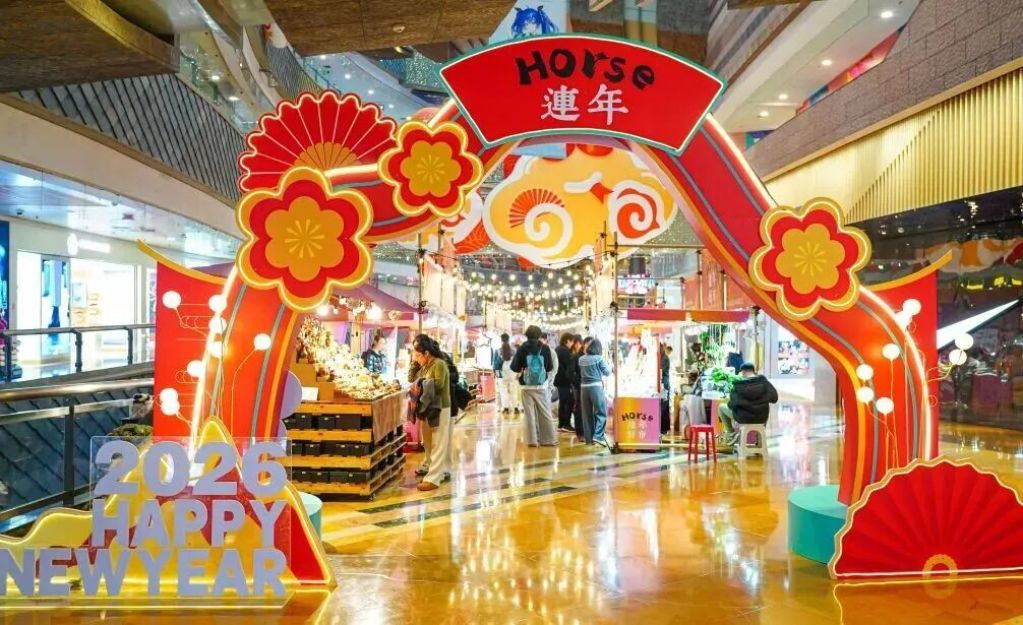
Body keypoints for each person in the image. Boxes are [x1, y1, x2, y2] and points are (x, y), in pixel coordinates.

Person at [409, 334, 451, 491]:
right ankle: (435, 473)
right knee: (427, 442)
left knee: (438, 443)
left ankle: (433, 479)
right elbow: (411, 378)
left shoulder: (439, 364)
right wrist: (414, 363)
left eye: (418, 355)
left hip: (439, 408)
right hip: (427, 408)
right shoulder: (424, 365)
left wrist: (421, 383)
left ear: (426, 353)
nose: (417, 358)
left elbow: (439, 385)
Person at [510, 325, 556, 447]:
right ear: (539, 335)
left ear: (527, 334)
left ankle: (532, 441)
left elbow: (514, 367)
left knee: (529, 415)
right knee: (545, 412)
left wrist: (523, 367)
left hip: (526, 385)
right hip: (541, 385)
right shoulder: (545, 348)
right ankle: (548, 440)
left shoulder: (522, 348)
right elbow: (550, 367)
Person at [717, 362, 778, 447]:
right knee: (763, 410)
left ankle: (730, 433)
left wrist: (741, 404)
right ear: (754, 371)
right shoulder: (764, 382)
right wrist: (761, 400)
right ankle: (759, 441)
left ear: (743, 372)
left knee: (721, 407)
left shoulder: (738, 385)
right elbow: (774, 398)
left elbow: (731, 405)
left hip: (744, 418)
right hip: (761, 418)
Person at [577, 338, 612, 447]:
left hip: (583, 388)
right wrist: (610, 365)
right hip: (596, 387)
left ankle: (588, 439)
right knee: (601, 412)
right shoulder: (599, 359)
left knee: (586, 414)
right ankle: (598, 436)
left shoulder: (581, 359)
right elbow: (607, 372)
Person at [554, 333, 577, 433]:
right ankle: (566, 424)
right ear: (567, 340)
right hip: (564, 380)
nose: (572, 344)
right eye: (572, 341)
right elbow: (569, 368)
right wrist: (573, 380)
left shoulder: (558, 349)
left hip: (558, 380)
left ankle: (561, 424)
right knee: (568, 401)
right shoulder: (565, 351)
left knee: (563, 402)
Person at [493, 333, 520, 415]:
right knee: (513, 391)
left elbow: (495, 365)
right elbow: (518, 363)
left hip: (502, 374)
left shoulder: (498, 351)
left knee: (503, 391)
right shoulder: (514, 350)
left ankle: (506, 408)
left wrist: (497, 374)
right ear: (509, 340)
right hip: (513, 374)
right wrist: (518, 373)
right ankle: (515, 408)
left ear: (501, 340)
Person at [571, 335, 585, 438]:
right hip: (579, 387)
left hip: (584, 386)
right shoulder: (576, 356)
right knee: (579, 408)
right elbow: (570, 372)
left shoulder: (587, 356)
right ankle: (580, 432)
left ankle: (585, 431)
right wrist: (577, 382)